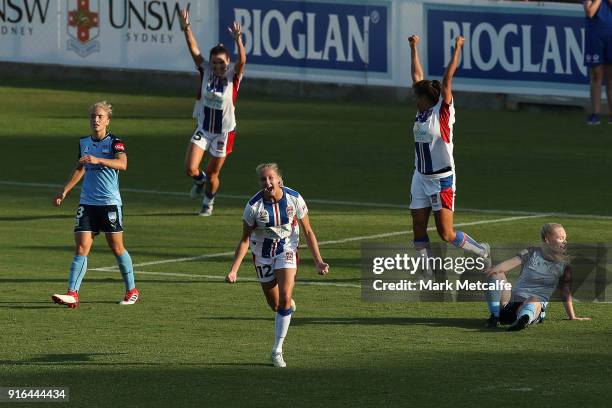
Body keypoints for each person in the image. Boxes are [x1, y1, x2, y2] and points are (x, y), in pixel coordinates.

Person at [226, 163, 329, 368]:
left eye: (271, 178)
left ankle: (277, 351)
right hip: (262, 255)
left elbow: (308, 231)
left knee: (284, 297)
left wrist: (318, 261)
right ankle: (286, 307)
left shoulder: (294, 198)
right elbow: (245, 240)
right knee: (275, 305)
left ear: (279, 179)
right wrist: (234, 270)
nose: (268, 182)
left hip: (287, 250)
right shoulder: (253, 207)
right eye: (263, 179)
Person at [408, 34, 489, 279]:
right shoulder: (421, 110)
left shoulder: (442, 112)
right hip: (420, 176)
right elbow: (417, 76)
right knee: (418, 226)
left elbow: (447, 79)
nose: (415, 99)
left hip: (441, 179)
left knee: (446, 233)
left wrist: (457, 48)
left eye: (417, 96)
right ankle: (427, 272)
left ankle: (481, 250)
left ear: (426, 99)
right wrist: (413, 47)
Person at [51, 101, 139, 308]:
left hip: (109, 203)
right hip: (87, 203)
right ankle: (72, 293)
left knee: (116, 247)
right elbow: (80, 168)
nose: (96, 120)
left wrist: (99, 160)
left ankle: (132, 290)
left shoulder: (115, 143)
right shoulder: (84, 143)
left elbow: (123, 164)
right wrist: (65, 191)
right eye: (93, 116)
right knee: (81, 247)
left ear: (108, 120)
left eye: (100, 116)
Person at [180, 8, 246, 216]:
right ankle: (199, 182)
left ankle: (208, 202)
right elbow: (193, 48)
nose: (218, 65)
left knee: (213, 173)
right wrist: (186, 28)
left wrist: (238, 40)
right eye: (215, 61)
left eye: (222, 62)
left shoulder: (233, 77)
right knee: (191, 168)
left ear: (227, 63)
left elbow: (242, 61)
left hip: (224, 132)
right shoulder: (205, 70)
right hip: (204, 127)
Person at [484, 223, 590, 331]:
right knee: (496, 274)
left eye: (565, 238)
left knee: (533, 299)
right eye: (560, 238)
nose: (565, 242)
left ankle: (523, 320)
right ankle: (495, 316)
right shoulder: (531, 252)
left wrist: (572, 316)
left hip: (534, 307)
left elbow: (565, 293)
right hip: (509, 305)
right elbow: (512, 262)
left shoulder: (564, 266)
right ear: (547, 239)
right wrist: (495, 269)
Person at [583, 0, 612, 125]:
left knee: (611, 77)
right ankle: (595, 113)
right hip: (595, 36)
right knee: (596, 74)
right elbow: (590, 12)